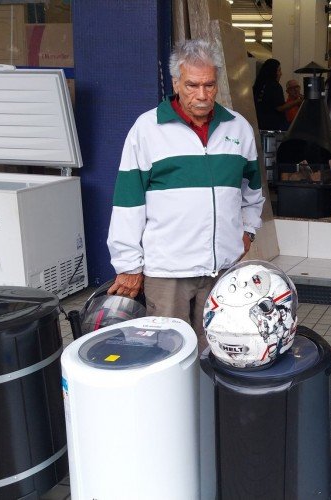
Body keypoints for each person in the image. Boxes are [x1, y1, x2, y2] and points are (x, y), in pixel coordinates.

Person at [107, 39, 264, 352]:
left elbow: (252, 189)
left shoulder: (238, 128)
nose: (203, 95)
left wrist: (247, 230)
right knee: (167, 353)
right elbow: (128, 201)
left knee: (218, 351)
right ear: (175, 83)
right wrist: (128, 265)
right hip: (168, 272)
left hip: (222, 269)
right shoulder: (147, 129)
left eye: (209, 85)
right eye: (192, 85)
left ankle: (208, 403)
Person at [253, 58, 300, 130]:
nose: (281, 73)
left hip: (259, 125)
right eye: (279, 70)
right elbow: (279, 107)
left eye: (297, 87)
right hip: (274, 127)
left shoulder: (258, 86)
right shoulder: (274, 86)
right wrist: (298, 101)